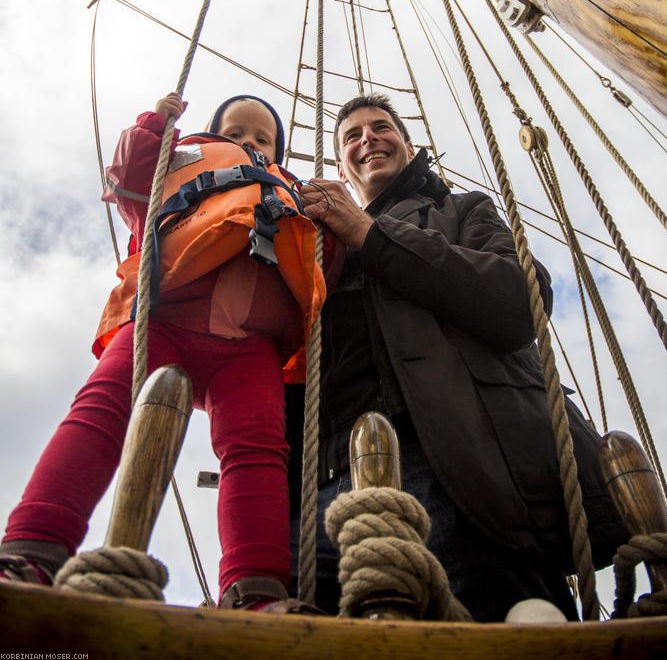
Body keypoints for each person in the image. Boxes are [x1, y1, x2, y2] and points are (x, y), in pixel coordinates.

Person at [289, 93, 627, 621]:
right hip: (326, 492)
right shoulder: (313, 248)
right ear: (340, 167)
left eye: (381, 128)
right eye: (352, 136)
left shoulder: (460, 211)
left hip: (458, 465)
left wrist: (369, 234)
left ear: (408, 143)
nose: (367, 139)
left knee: (504, 622)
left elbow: (519, 301)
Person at [1, 92, 328, 614]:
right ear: (211, 132)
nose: (247, 142)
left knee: (258, 451)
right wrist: (158, 124)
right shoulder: (183, 159)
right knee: (100, 413)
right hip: (165, 318)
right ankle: (30, 548)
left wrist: (324, 212)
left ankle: (257, 590)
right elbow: (130, 176)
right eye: (235, 131)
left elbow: (318, 258)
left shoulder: (290, 191)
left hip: (251, 345)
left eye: (261, 139)